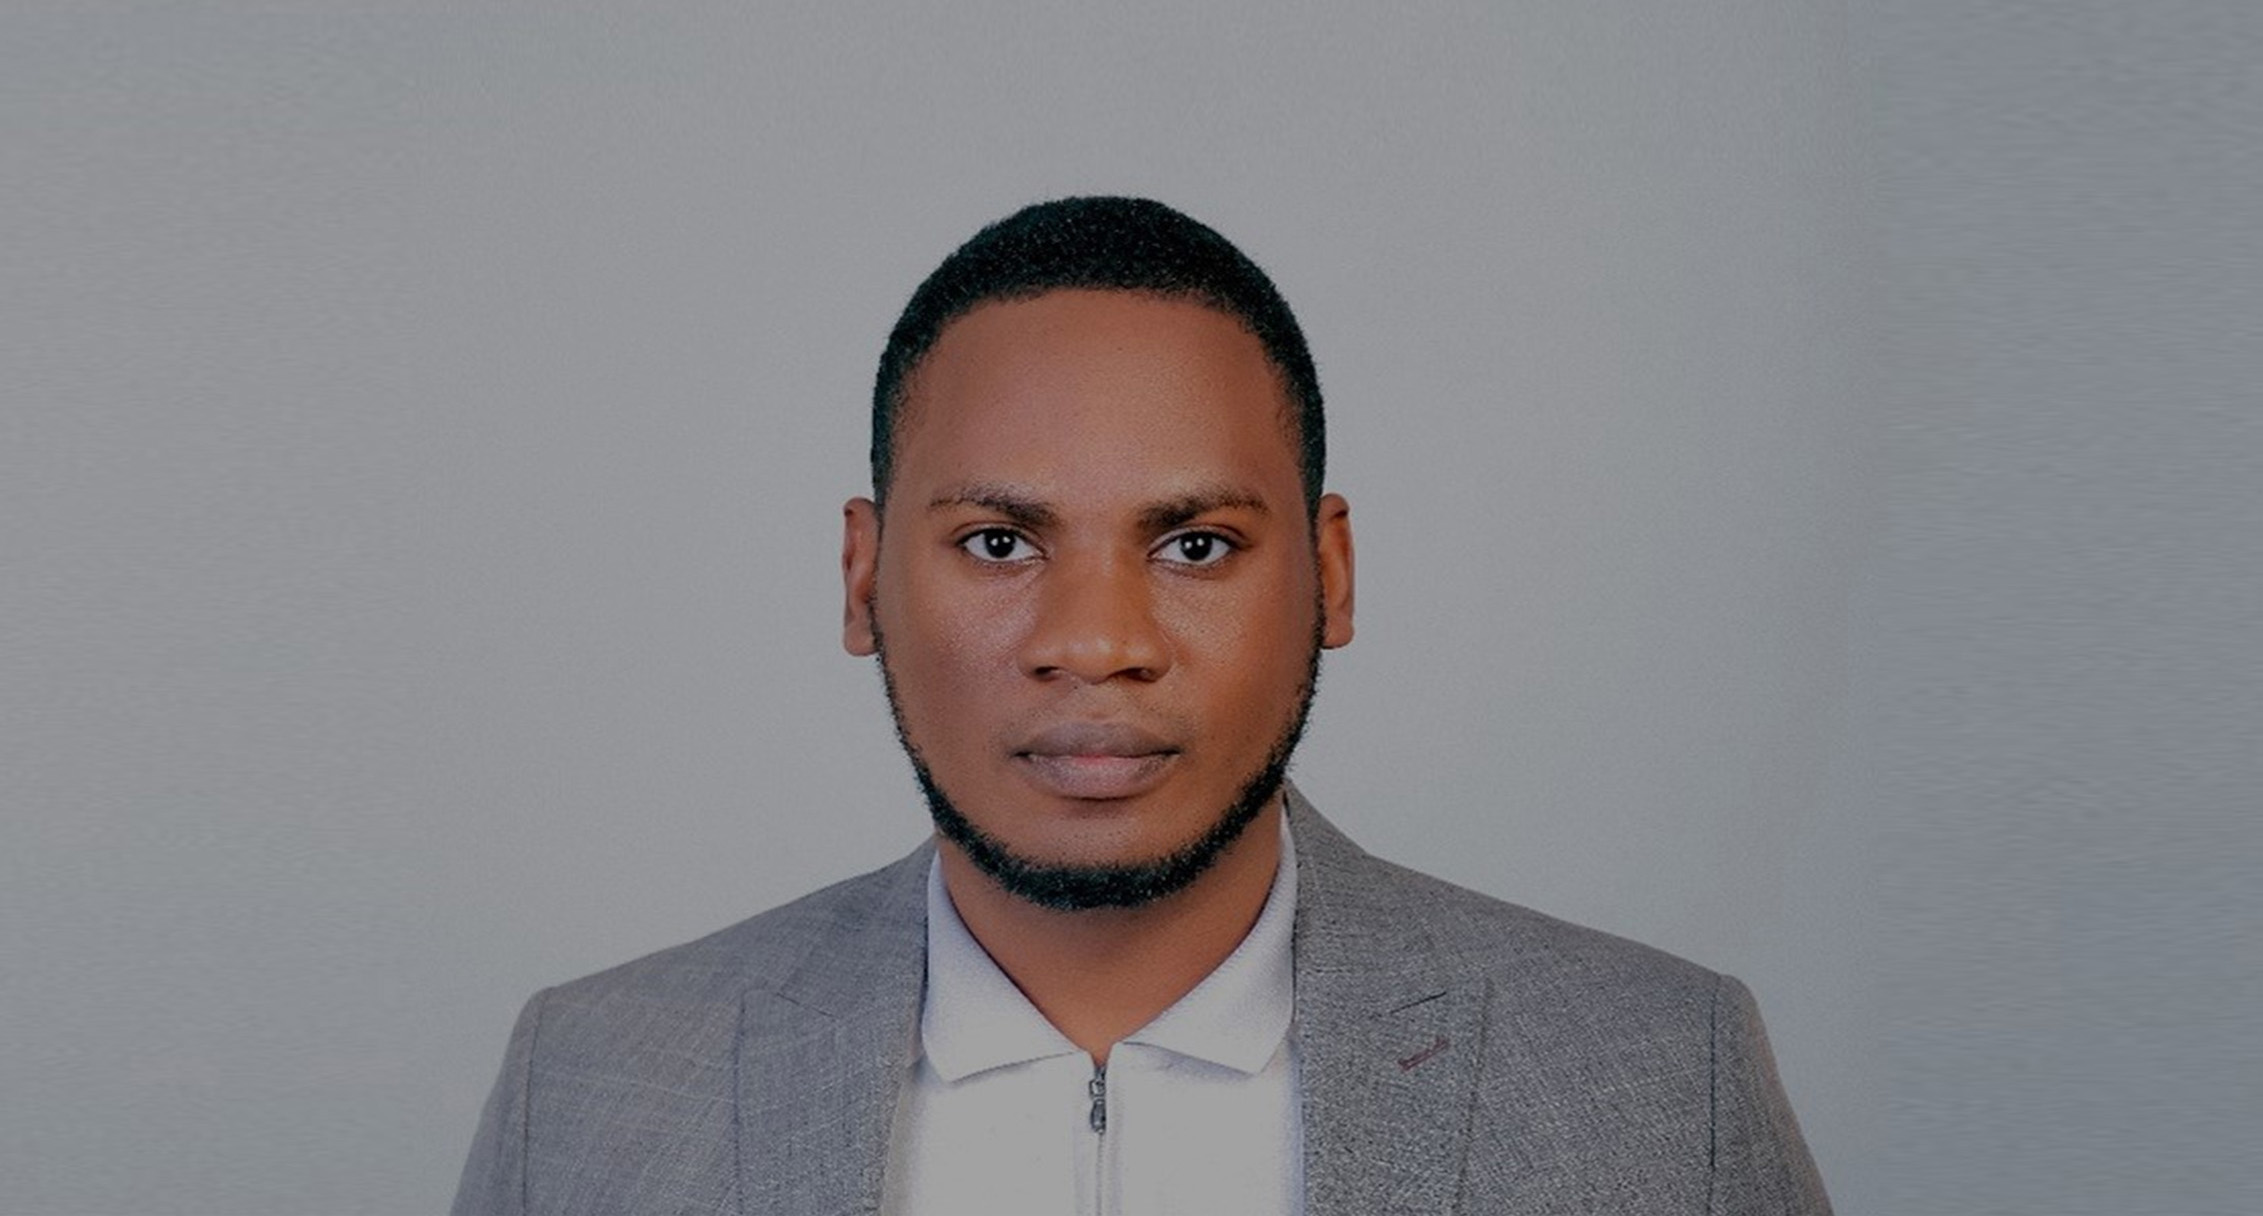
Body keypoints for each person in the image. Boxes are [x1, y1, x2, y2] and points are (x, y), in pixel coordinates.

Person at [451, 196, 1831, 1215]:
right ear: (865, 578)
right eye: (1000, 542)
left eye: (1196, 545)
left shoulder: (1664, 1081)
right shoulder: (586, 1089)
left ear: (1332, 574)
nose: (1097, 643)